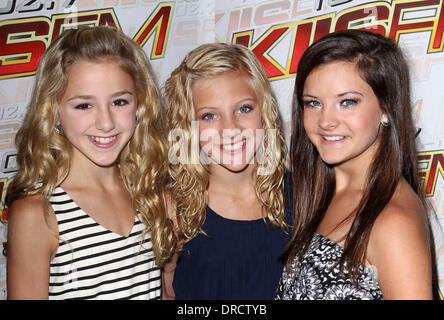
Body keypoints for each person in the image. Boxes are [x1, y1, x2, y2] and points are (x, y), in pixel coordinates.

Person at [6, 26, 174, 299]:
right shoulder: (40, 214)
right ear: (54, 111)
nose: (105, 123)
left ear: (140, 105)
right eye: (84, 105)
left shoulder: (149, 195)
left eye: (119, 101)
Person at [276, 29, 434, 300]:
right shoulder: (319, 194)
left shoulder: (393, 222)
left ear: (386, 108)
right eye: (313, 103)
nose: (326, 121)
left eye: (347, 102)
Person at [162, 43, 291, 299]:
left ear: (265, 111)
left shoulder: (305, 195)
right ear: (189, 126)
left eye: (244, 109)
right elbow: (167, 293)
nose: (230, 128)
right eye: (209, 116)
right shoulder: (174, 208)